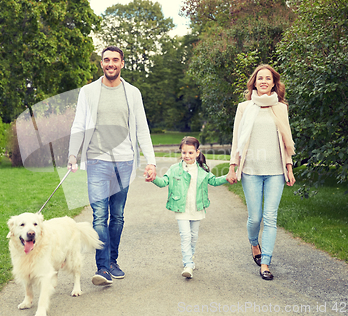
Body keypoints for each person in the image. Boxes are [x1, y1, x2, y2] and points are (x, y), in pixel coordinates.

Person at [67, 46, 157, 286]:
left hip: (124, 162)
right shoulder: (88, 92)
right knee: (99, 216)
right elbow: (78, 125)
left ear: (122, 64)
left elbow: (142, 129)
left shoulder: (133, 93)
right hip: (97, 160)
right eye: (106, 60)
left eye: (115, 60)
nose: (110, 64)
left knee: (117, 216)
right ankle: (103, 268)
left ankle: (113, 260)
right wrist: (72, 154)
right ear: (101, 64)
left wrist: (151, 161)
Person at [226, 64, 296, 281]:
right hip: (251, 170)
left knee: (270, 217)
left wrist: (289, 167)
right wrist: (232, 166)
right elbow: (237, 138)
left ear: (274, 83)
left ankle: (265, 262)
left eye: (268, 78)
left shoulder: (281, 108)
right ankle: (254, 243)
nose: (264, 81)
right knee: (255, 217)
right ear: (254, 83)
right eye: (260, 79)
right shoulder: (244, 107)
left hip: (275, 171)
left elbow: (286, 140)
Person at [148, 136, 228, 278]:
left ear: (197, 153)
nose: (187, 156)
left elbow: (214, 181)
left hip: (197, 208)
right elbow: (163, 182)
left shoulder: (202, 170)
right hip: (181, 208)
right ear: (181, 153)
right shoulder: (174, 169)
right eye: (184, 153)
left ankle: (190, 258)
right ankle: (188, 264)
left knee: (193, 237)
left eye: (190, 153)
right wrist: (153, 178)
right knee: (185, 236)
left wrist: (227, 178)